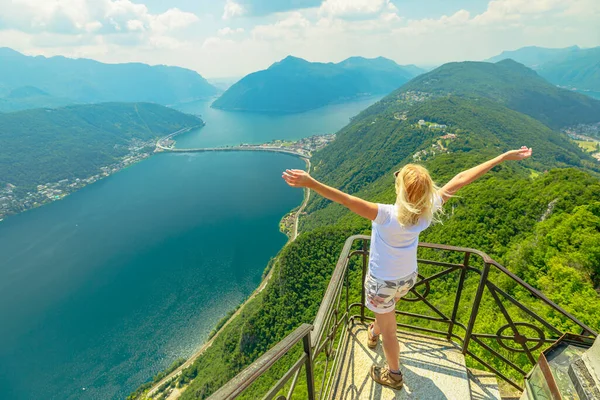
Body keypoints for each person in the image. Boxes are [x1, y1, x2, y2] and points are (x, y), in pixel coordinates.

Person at [282, 146, 532, 390]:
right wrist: (501, 158)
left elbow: (346, 200)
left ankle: (394, 374)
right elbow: (460, 179)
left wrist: (311, 183)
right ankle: (373, 332)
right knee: (386, 311)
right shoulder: (427, 210)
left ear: (400, 191)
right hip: (406, 279)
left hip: (382, 283)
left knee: (390, 333)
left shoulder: (385, 214)